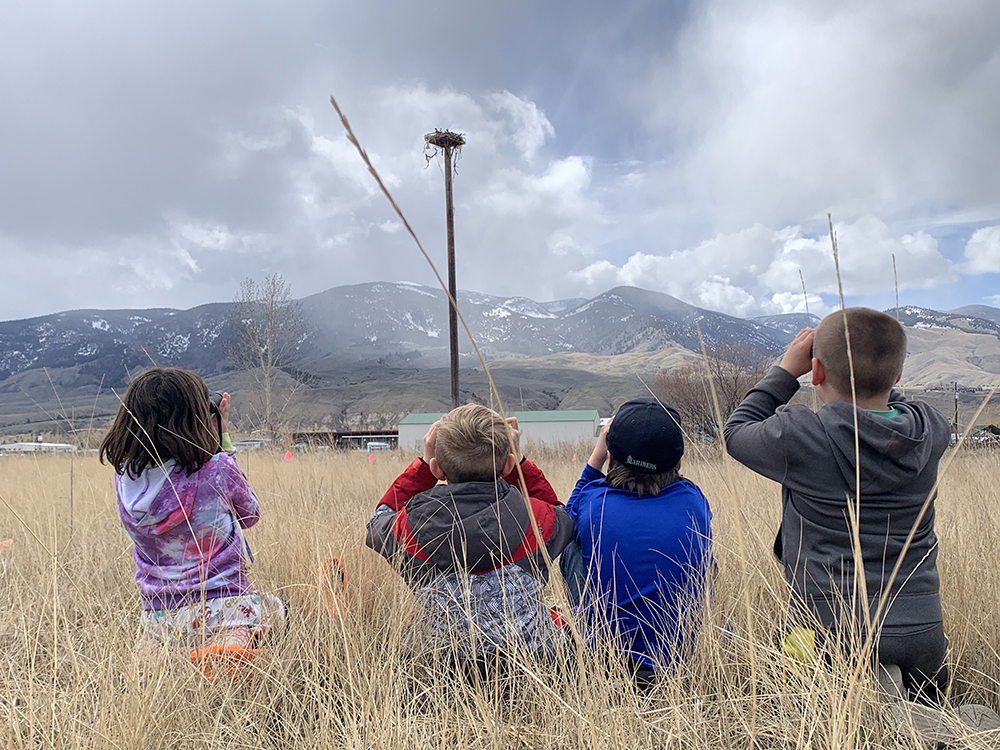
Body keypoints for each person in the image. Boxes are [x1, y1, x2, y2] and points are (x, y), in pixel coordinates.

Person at [724, 308, 950, 702]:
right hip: (923, 636)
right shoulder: (931, 428)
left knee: (797, 704)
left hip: (825, 632)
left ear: (816, 371)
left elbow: (736, 431)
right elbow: (881, 405)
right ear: (898, 375)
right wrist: (873, 372)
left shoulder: (800, 434)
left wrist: (785, 372)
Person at [365, 404, 574, 671]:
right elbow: (559, 513)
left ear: (437, 469)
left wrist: (423, 468)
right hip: (532, 664)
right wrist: (520, 464)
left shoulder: (410, 526)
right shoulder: (537, 518)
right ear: (508, 464)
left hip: (442, 668)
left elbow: (380, 519)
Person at [100, 368, 285, 659]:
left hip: (159, 612)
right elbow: (250, 514)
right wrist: (222, 440)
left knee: (161, 641)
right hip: (223, 602)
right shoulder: (217, 470)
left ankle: (156, 655)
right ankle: (231, 643)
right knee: (274, 608)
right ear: (196, 421)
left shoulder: (124, 478)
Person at [562, 398, 713, 688]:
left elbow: (565, 524)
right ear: (679, 461)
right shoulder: (694, 502)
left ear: (610, 453)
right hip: (679, 657)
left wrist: (595, 460)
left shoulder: (593, 501)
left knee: (573, 544)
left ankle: (588, 631)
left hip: (608, 655)